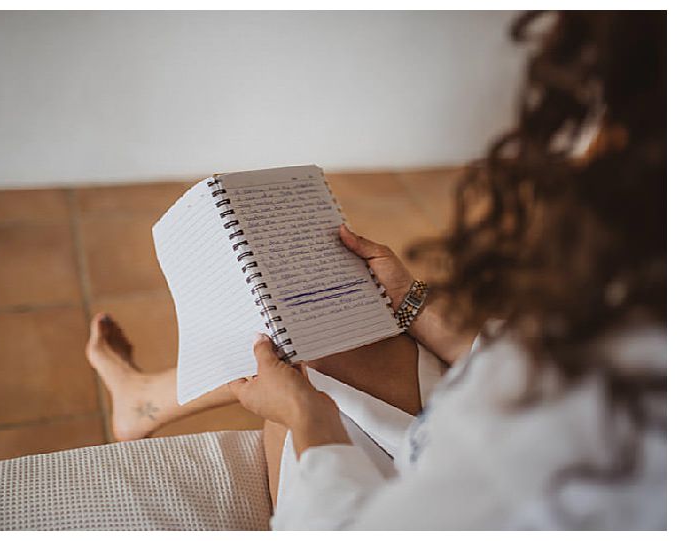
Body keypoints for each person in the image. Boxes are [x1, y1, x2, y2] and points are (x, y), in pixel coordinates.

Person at [85, 11, 665, 529]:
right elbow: (532, 373)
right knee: (334, 331)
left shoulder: (600, 431)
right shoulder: (636, 306)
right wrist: (413, 304)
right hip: (468, 439)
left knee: (304, 358)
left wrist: (308, 419)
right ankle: (147, 400)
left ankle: (148, 400)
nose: (589, 151)